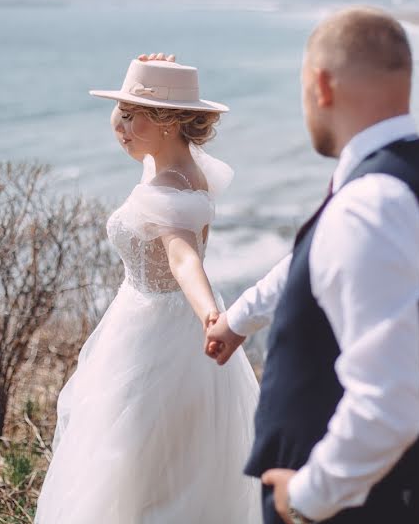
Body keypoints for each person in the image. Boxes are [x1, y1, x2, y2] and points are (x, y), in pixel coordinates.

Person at [206, 8, 419, 523]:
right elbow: (319, 262)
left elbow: (388, 400)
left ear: (321, 84)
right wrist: (239, 320)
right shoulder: (408, 174)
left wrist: (306, 496)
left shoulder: (371, 202)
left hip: (343, 504)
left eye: (302, 88)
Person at [35, 53, 261, 523]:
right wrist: (149, 76)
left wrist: (209, 317)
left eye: (131, 115)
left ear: (168, 121)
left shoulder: (167, 191)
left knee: (132, 455)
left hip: (155, 332)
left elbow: (184, 259)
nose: (119, 127)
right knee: (171, 456)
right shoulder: (182, 168)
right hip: (158, 320)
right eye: (119, 113)